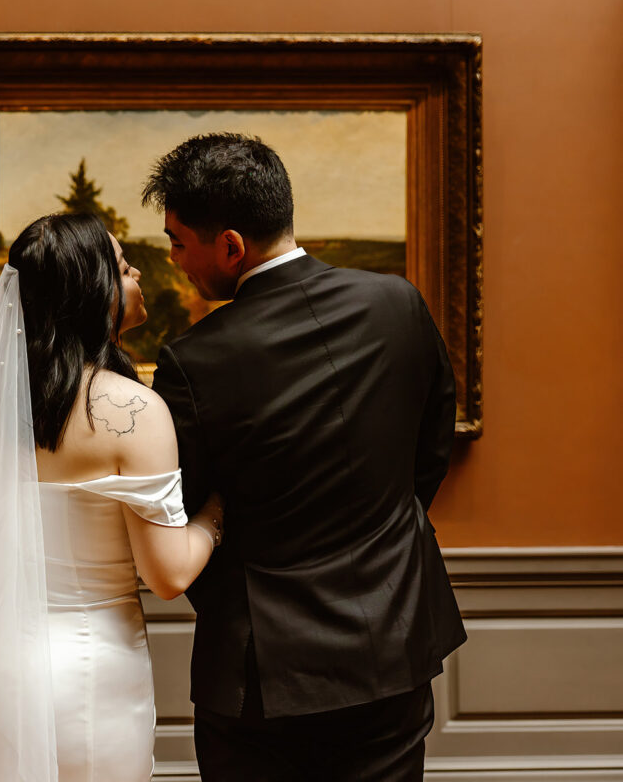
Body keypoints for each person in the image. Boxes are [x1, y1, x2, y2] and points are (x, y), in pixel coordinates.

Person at [143, 133, 466, 782]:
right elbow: (431, 449)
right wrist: (377, 539)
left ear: (229, 246)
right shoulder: (397, 304)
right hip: (394, 642)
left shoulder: (193, 362)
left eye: (178, 241)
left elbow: (181, 511)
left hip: (261, 675)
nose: (175, 259)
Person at [0, 212, 222, 782]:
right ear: (95, 291)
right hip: (90, 673)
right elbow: (169, 575)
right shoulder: (131, 410)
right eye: (125, 267)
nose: (137, 277)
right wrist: (217, 512)